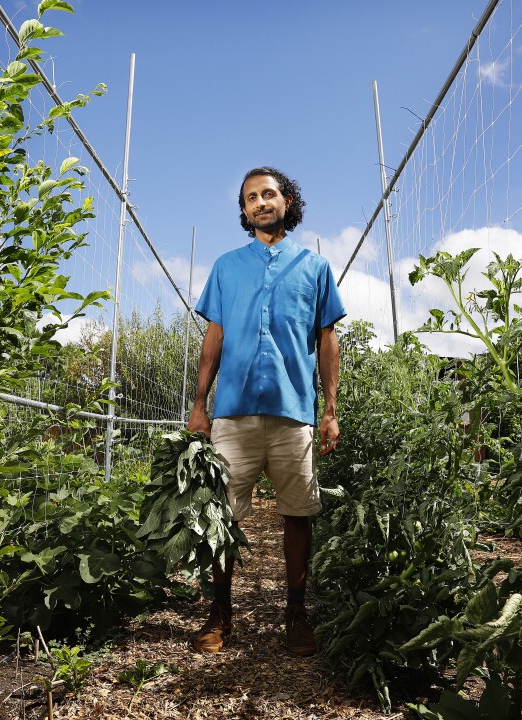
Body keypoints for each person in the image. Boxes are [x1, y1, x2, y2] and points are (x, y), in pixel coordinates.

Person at [186, 166, 346, 656]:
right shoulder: (226, 267)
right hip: (232, 413)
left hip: (294, 411)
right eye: (251, 197)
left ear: (287, 202)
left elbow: (327, 340)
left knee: (298, 514)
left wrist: (331, 408)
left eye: (269, 194)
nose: (260, 202)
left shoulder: (315, 268)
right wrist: (199, 404)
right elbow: (213, 338)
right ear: (243, 210)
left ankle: (296, 615)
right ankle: (220, 613)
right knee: (223, 517)